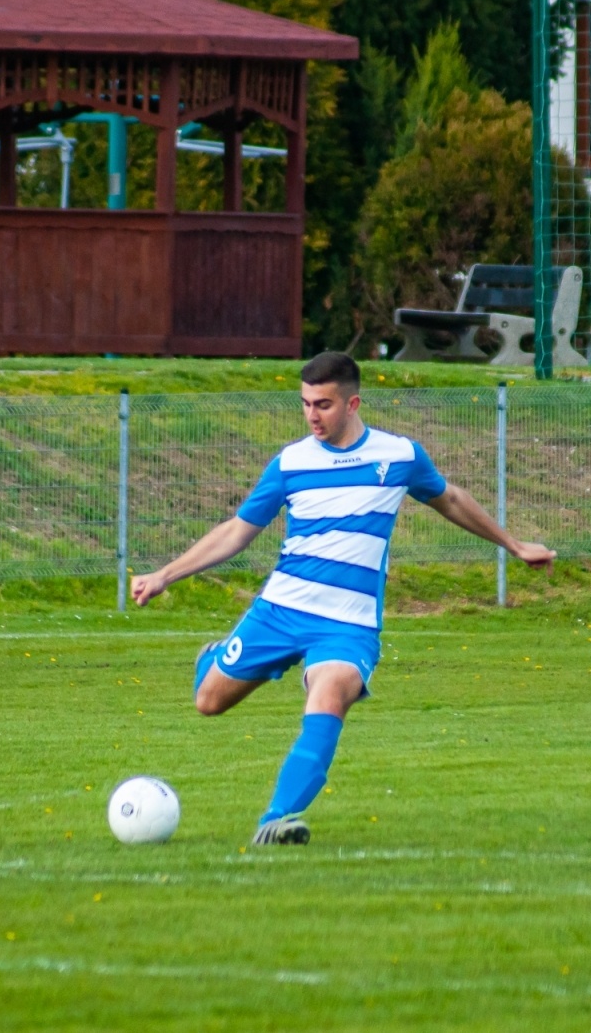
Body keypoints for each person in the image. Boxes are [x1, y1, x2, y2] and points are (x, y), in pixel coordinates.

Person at [131, 352, 554, 845]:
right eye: (307, 403)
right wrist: (166, 574)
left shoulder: (399, 456)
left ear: (353, 403)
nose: (313, 415)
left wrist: (514, 544)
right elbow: (236, 533)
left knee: (331, 691)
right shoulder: (291, 463)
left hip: (347, 626)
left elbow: (451, 499)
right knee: (208, 702)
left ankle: (278, 818)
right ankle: (213, 662)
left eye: (324, 404)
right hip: (280, 612)